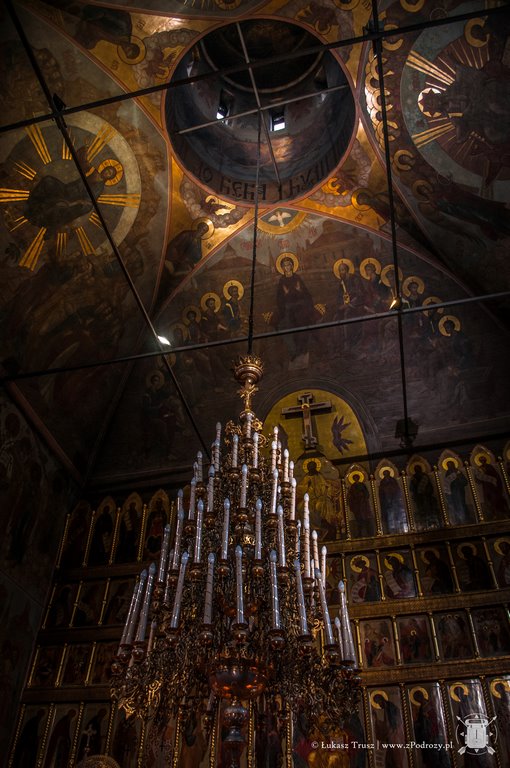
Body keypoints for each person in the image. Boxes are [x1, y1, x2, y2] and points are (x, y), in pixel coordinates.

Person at [274, 254, 316, 361]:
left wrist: (299, 291)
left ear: (292, 266)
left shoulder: (297, 278)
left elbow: (306, 294)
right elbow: (279, 298)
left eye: (288, 265)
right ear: (282, 268)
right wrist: (286, 295)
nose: (287, 267)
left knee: (302, 324)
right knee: (288, 328)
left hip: (300, 307)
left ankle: (303, 348)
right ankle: (294, 351)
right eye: (284, 265)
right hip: (289, 309)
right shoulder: (282, 281)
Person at [473, 455, 509, 520]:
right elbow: (478, 480)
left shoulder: (489, 467)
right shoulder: (479, 468)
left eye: (483, 460)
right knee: (488, 500)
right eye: (481, 460)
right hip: (486, 487)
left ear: (485, 460)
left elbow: (495, 476)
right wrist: (477, 478)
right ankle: (494, 514)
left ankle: (502, 513)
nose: (482, 461)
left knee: (496, 498)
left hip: (493, 486)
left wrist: (486, 473)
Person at [409, 465, 441, 530]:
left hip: (427, 495)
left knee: (429, 507)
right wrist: (414, 484)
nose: (417, 470)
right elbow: (411, 488)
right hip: (419, 496)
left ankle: (433, 523)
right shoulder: (413, 478)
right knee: (421, 509)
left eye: (418, 468)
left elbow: (429, 485)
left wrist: (427, 491)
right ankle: (422, 524)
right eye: (416, 469)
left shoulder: (425, 476)